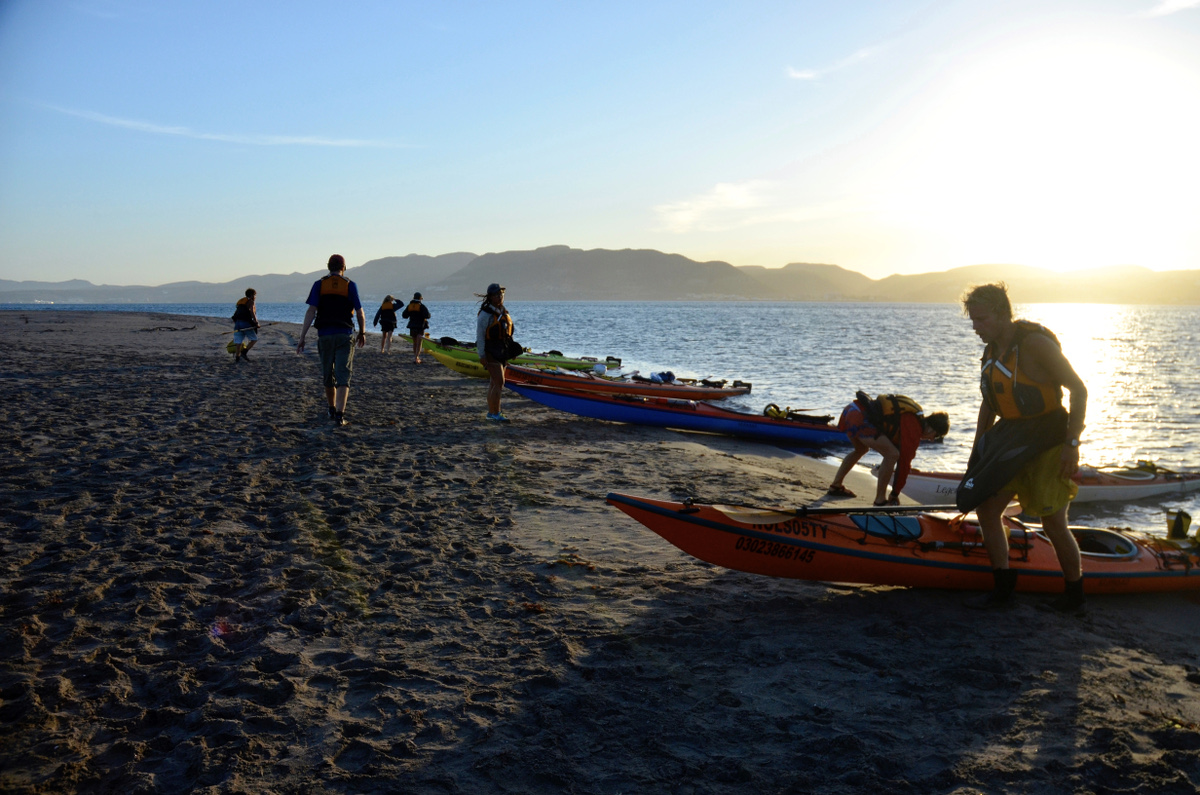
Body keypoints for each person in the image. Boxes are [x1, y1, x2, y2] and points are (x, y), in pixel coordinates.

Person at [958, 283, 1088, 612]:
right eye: (972, 321)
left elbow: (1079, 389)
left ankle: (1074, 595)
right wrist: (978, 451)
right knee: (987, 510)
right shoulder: (991, 351)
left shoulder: (1035, 345)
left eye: (981, 320)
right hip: (1012, 437)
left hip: (1049, 438)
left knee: (1053, 523)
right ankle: (1003, 587)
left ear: (1003, 314)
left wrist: (1072, 444)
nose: (976, 328)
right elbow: (989, 403)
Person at [827, 393, 949, 505]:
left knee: (861, 450)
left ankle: (836, 486)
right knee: (892, 454)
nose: (933, 440)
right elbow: (904, 463)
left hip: (852, 409)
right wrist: (895, 494)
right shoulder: (914, 428)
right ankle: (880, 500)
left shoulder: (914, 418)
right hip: (859, 417)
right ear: (932, 429)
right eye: (936, 435)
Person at [296, 255, 367, 426]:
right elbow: (359, 312)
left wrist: (302, 337)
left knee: (328, 374)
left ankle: (331, 408)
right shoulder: (350, 285)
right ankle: (340, 415)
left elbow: (311, 312)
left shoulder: (319, 285)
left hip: (325, 335)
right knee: (344, 375)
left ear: (328, 266)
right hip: (344, 334)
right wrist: (362, 332)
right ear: (344, 267)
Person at [476, 282, 515, 422]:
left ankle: (491, 413)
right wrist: (481, 355)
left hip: (502, 350)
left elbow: (507, 334)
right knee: (499, 382)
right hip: (490, 350)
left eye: (501, 294)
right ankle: (495, 413)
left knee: (494, 383)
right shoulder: (485, 314)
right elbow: (480, 336)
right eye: (497, 295)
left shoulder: (503, 312)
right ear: (491, 297)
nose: (500, 297)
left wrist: (510, 353)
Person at [231, 288, 259, 362]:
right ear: (252, 295)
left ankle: (237, 358)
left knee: (238, 342)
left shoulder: (241, 303)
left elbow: (235, 314)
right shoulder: (250, 302)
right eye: (255, 295)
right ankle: (244, 352)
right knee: (254, 339)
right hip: (245, 324)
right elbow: (252, 313)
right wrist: (256, 322)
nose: (255, 297)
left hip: (237, 323)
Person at [402, 292, 431, 363]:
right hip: (420, 326)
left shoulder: (410, 306)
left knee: (415, 342)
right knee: (419, 342)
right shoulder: (422, 306)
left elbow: (404, 315)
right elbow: (427, 315)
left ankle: (415, 356)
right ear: (420, 298)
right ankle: (417, 357)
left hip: (412, 326)